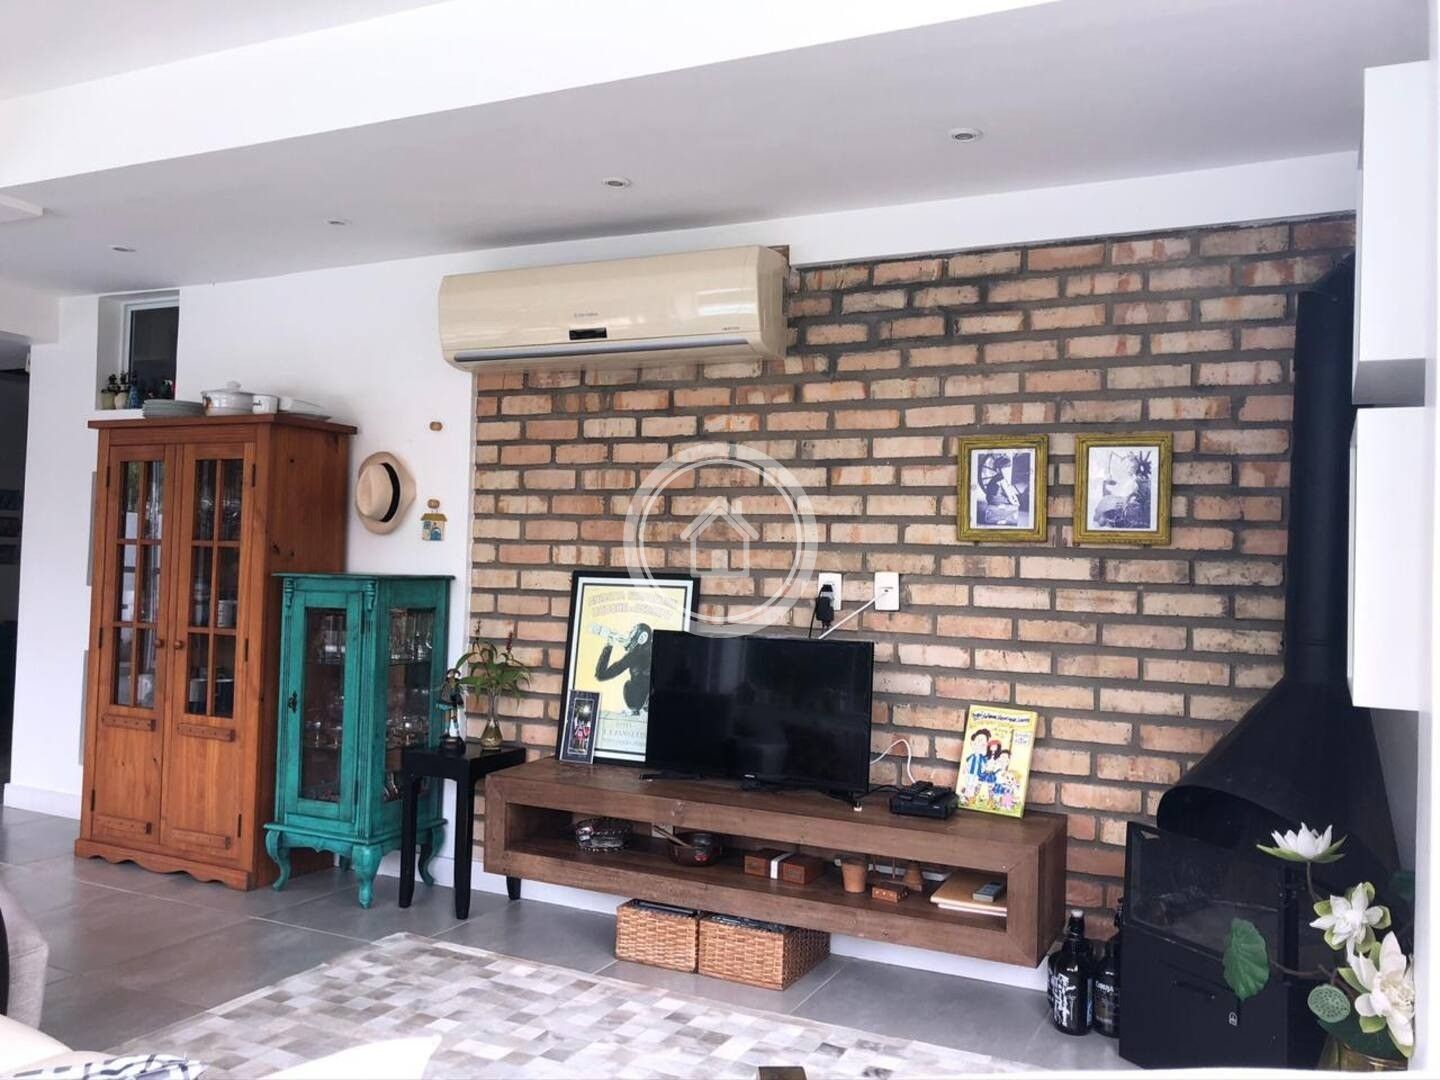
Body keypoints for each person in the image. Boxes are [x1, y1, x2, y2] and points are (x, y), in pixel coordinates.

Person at [594, 623, 654, 715]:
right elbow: (601, 676)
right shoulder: (634, 655)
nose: (629, 634)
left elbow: (601, 675)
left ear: (642, 637)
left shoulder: (633, 656)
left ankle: (640, 708)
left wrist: (608, 646)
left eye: (632, 632)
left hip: (639, 701)